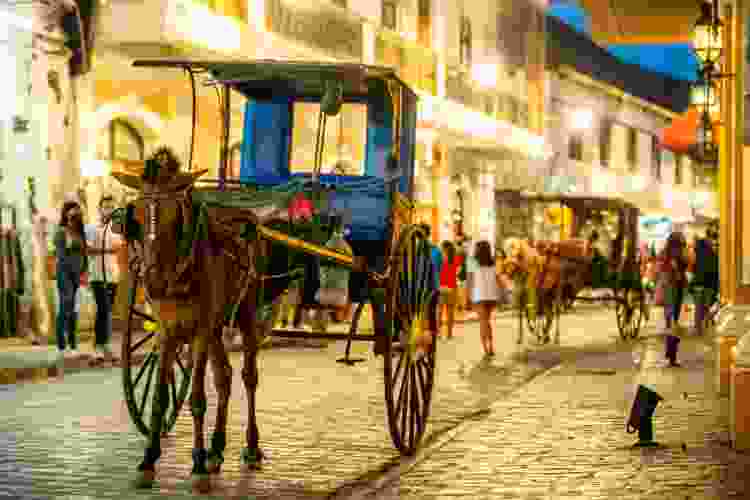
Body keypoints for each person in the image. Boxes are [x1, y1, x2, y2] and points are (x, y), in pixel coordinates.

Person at [86, 195, 123, 362]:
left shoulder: (116, 229)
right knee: (102, 309)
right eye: (106, 206)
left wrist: (105, 249)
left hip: (112, 275)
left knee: (108, 312)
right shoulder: (91, 228)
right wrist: (107, 250)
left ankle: (105, 345)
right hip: (97, 276)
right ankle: (97, 347)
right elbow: (88, 249)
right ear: (99, 208)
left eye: (111, 206)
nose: (108, 209)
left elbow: (120, 247)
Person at [54, 201, 88, 356]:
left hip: (77, 274)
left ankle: (73, 345)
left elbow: (84, 253)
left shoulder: (81, 232)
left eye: (77, 210)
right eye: (71, 210)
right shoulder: (61, 232)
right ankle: (62, 345)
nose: (75, 213)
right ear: (66, 213)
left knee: (74, 310)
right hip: (64, 273)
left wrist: (84, 273)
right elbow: (61, 256)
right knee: (65, 305)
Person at [467, 240, 500, 357]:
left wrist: (469, 295)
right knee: (487, 321)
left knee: (483, 322)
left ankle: (486, 348)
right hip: (491, 295)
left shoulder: (472, 261)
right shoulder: (492, 262)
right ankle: (490, 345)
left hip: (479, 294)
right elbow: (497, 278)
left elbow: (470, 280)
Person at [657, 230, 688, 331]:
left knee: (669, 301)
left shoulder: (666, 250)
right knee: (675, 301)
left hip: (668, 278)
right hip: (675, 279)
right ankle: (672, 322)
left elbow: (661, 262)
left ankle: (669, 323)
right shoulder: (678, 250)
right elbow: (680, 263)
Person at [691, 232, 719, 335]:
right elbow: (715, 271)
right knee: (707, 306)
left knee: (698, 307)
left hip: (698, 284)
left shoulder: (697, 256)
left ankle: (698, 328)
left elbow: (693, 269)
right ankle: (706, 325)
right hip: (709, 285)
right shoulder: (713, 256)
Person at [420, 224, 442, 344]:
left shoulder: (435, 251)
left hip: (431, 287)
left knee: (431, 313)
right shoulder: (436, 251)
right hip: (422, 286)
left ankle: (432, 340)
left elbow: (438, 268)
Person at [439, 240, 463, 339]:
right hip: (452, 287)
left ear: (444, 248)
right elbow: (458, 271)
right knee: (450, 312)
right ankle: (449, 334)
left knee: (439, 312)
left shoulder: (440, 258)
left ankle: (439, 333)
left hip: (441, 287)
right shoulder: (456, 259)